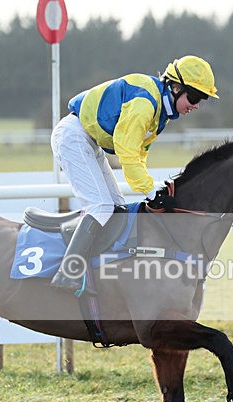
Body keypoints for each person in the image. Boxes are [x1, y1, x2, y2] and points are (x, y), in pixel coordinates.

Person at [50, 55, 219, 293]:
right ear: (176, 87)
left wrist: (152, 190)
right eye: (194, 97)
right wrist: (149, 191)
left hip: (90, 141)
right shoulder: (145, 104)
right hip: (74, 136)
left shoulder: (161, 112)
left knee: (117, 208)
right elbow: (127, 152)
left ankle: (103, 273)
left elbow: (139, 154)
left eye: (202, 99)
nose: (197, 105)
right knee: (100, 207)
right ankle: (68, 274)